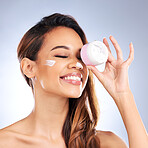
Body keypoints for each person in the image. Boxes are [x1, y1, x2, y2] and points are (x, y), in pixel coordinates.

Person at [0, 13, 147, 148]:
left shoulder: (105, 143)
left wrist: (123, 94)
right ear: (29, 67)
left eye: (81, 57)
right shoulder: (5, 142)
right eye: (62, 55)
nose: (77, 64)